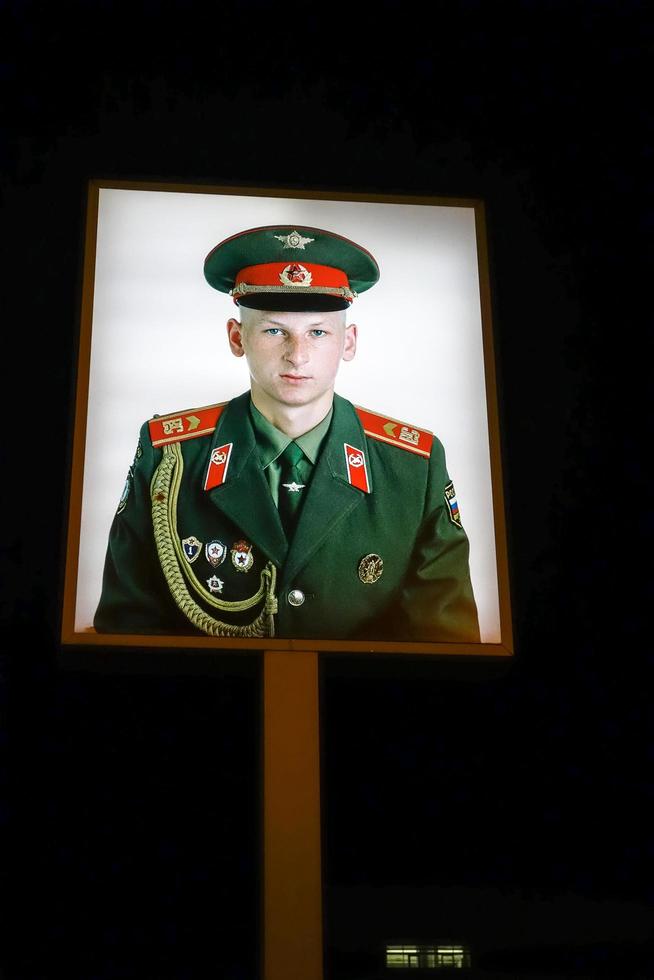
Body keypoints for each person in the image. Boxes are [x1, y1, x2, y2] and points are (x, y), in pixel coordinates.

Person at [94, 225, 480, 642]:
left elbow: (445, 644)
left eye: (318, 332)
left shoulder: (413, 468)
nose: (297, 355)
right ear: (236, 337)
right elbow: (127, 631)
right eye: (274, 330)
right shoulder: (169, 456)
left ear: (348, 342)